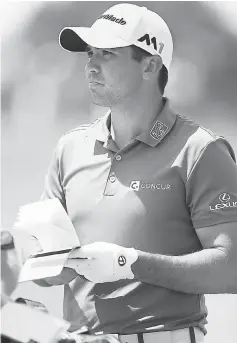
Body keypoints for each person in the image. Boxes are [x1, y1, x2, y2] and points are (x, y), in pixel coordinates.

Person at [22, 3, 237, 343]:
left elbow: (231, 269)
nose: (91, 66)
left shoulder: (200, 150)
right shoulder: (70, 148)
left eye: (106, 54)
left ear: (150, 65)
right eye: (90, 54)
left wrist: (131, 263)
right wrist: (41, 265)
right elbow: (48, 267)